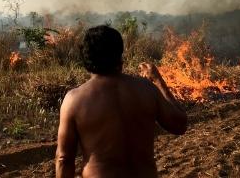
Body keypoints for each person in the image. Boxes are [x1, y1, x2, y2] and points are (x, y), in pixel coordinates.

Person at [56, 25, 187, 178]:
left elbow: (64, 159)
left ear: (86, 57)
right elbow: (180, 125)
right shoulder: (146, 89)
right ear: (119, 54)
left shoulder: (74, 100)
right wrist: (158, 81)